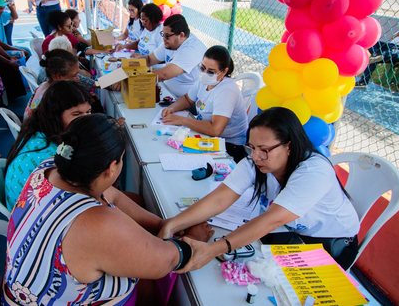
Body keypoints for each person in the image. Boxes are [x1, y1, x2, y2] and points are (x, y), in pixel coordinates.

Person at [2, 114, 206, 305]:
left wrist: (163, 224)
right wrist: (195, 238)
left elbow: (113, 195)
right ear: (112, 167)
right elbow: (166, 260)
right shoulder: (93, 222)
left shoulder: (49, 169)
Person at [159, 107, 361, 270]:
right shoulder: (256, 162)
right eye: (252, 147)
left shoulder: (313, 171)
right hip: (291, 232)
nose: (256, 156)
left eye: (264, 150)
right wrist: (172, 225)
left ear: (289, 146)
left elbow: (273, 219)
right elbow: (220, 198)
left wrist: (211, 249)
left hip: (330, 245)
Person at [5, 80, 93, 209]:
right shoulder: (53, 157)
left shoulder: (37, 131)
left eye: (89, 112)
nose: (87, 120)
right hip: (33, 219)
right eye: (77, 114)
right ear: (56, 116)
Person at [161, 46, 248, 162]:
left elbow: (215, 130)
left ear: (224, 71)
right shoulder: (203, 80)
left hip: (229, 145)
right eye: (202, 68)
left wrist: (182, 120)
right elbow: (187, 99)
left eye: (211, 72)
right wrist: (171, 108)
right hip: (209, 137)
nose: (204, 73)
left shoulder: (227, 91)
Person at [25, 49, 99, 119]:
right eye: (74, 76)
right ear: (57, 76)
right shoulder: (56, 97)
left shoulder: (45, 84)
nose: (78, 78)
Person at [146, 14, 207, 97]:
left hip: (185, 101)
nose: (163, 39)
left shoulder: (192, 48)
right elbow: (149, 59)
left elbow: (164, 74)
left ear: (181, 35)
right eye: (163, 34)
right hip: (166, 91)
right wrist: (126, 69)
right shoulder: (169, 42)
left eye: (167, 36)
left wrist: (132, 80)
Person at [357, 14, 399, 87]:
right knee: (374, 43)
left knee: (390, 52)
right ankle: (374, 56)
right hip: (390, 45)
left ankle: (377, 56)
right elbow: (394, 37)